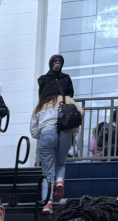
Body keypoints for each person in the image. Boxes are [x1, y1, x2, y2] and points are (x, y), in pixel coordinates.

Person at [31, 81, 78, 213]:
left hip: (46, 135)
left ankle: (47, 203)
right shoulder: (67, 100)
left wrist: (43, 133)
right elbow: (79, 113)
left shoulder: (39, 106)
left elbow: (33, 130)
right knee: (61, 164)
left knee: (47, 171)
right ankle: (59, 182)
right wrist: (73, 130)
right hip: (65, 134)